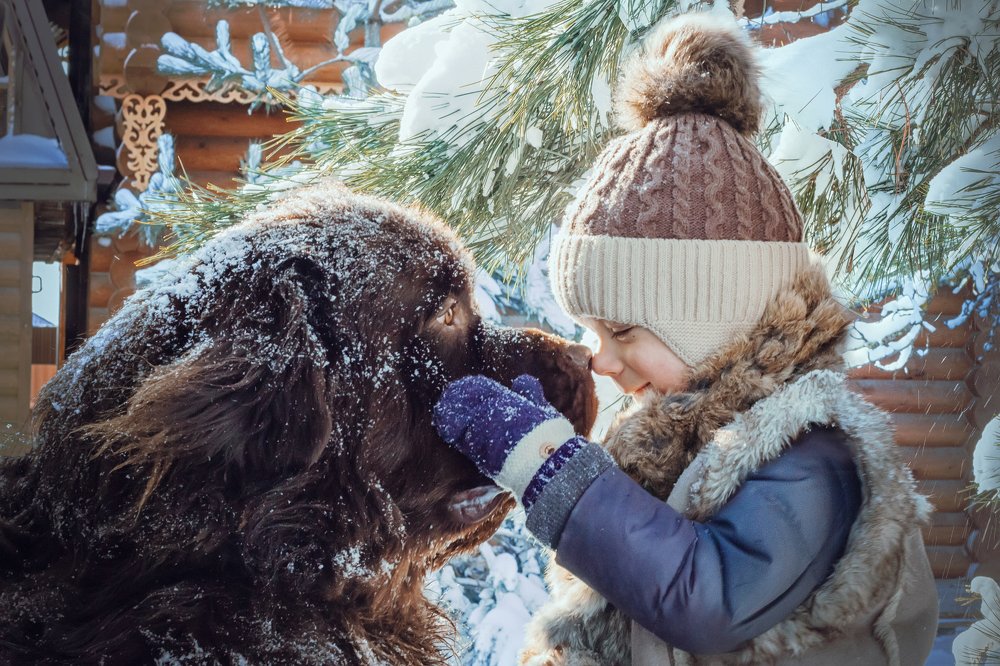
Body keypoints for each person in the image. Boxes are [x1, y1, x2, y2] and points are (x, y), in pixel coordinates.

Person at [431, 11, 939, 666]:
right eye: (590, 330)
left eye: (623, 332)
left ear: (720, 317)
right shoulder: (676, 433)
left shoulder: (814, 456)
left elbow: (709, 601)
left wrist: (547, 463)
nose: (601, 358)